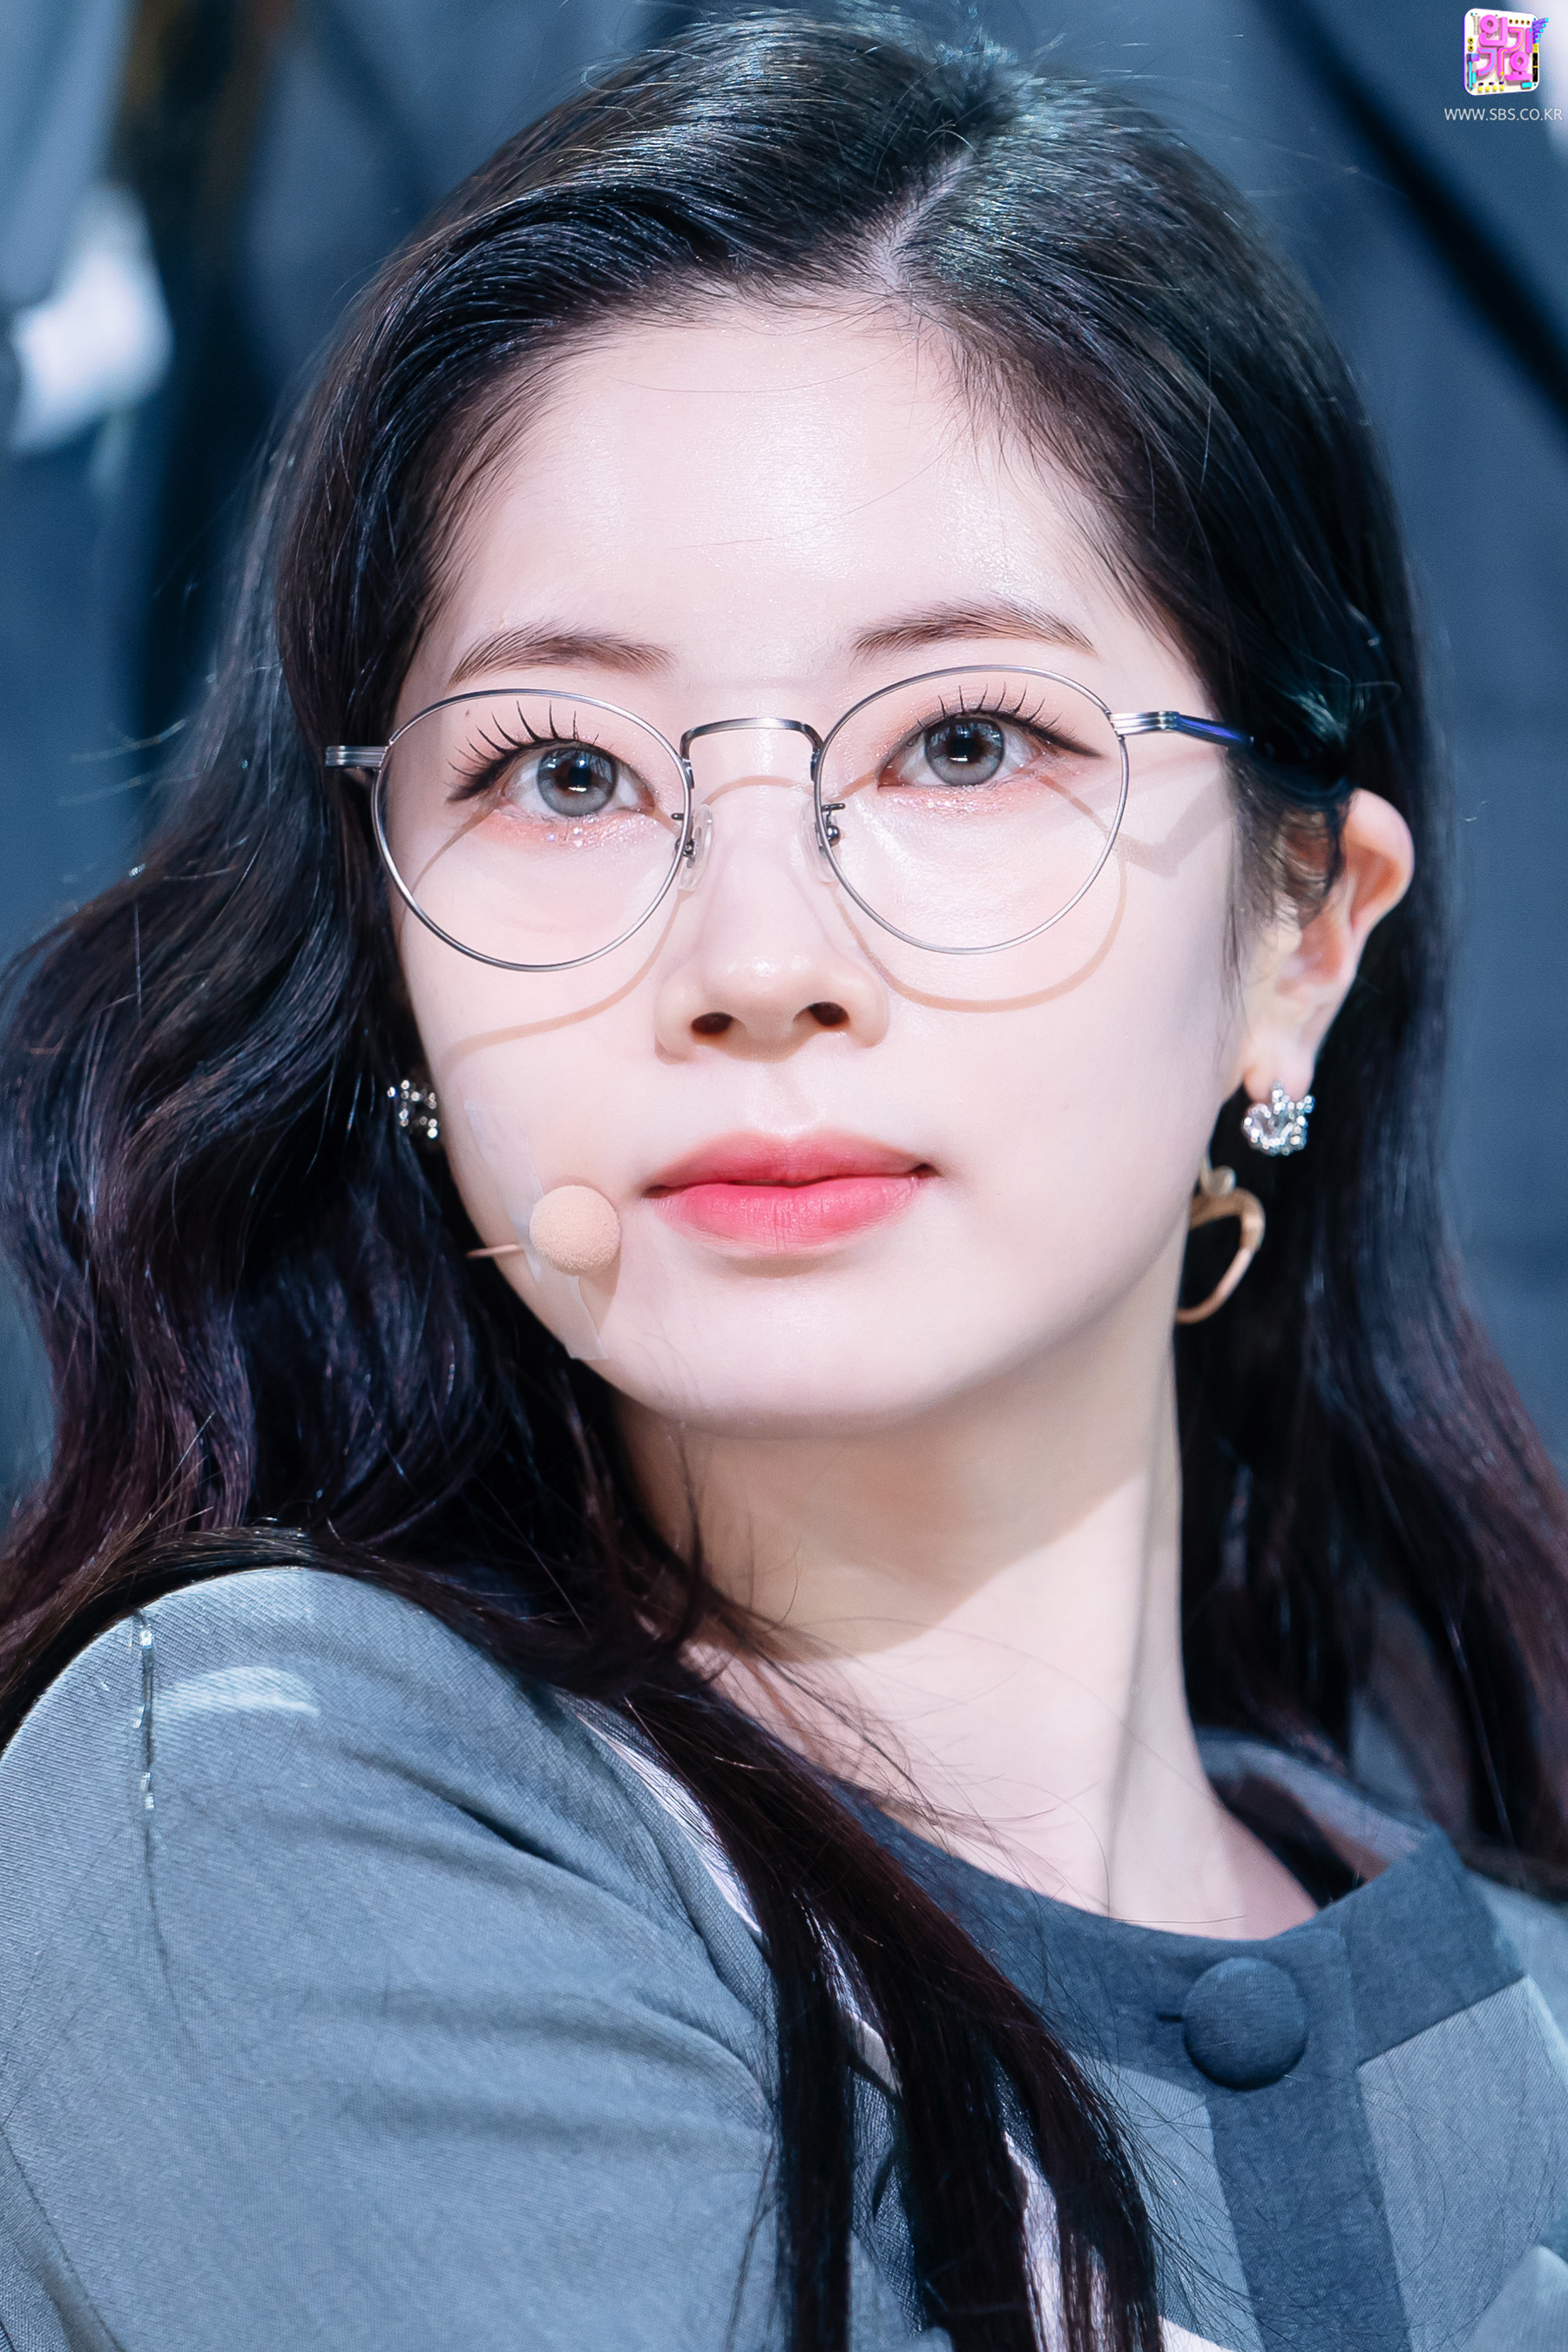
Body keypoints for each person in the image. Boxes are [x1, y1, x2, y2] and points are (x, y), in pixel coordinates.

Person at [1, 14, 1566, 2349]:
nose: (753, 963)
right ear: (393, 963)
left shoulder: (1519, 2001)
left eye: (966, 742)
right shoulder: (243, 1815)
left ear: (1299, 937)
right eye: (562, 775)